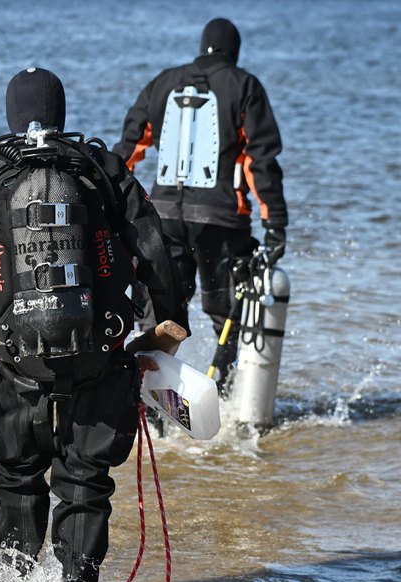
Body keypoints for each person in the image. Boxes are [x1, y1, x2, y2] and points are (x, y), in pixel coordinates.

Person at [0, 67, 189, 582]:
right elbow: (155, 247)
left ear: (11, 116)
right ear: (62, 113)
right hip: (98, 358)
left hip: (14, 363)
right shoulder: (99, 169)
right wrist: (167, 324)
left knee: (19, 478)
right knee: (86, 481)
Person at [114, 18, 288, 385]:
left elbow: (126, 154)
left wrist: (111, 208)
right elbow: (261, 162)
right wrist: (275, 226)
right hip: (221, 220)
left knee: (161, 316)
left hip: (161, 221)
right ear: (235, 53)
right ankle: (222, 388)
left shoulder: (161, 83)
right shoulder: (245, 86)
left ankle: (153, 397)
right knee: (226, 314)